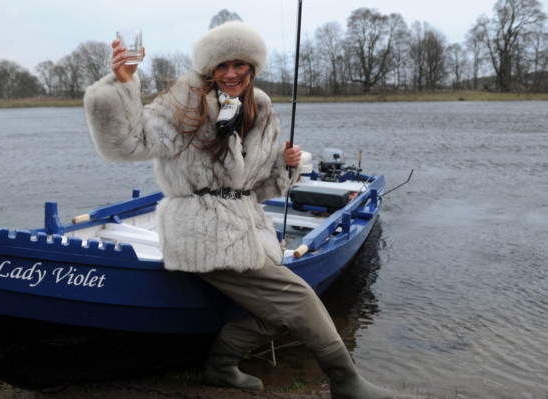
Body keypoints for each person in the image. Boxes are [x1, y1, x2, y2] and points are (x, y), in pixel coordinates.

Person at [84, 21, 395, 399]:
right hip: (201, 231)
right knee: (299, 298)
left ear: (252, 68)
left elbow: (259, 188)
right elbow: (127, 143)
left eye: (239, 65)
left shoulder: (260, 110)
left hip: (246, 227)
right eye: (221, 66)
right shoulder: (185, 103)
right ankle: (346, 381)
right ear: (210, 69)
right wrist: (121, 84)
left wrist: (287, 166)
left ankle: (221, 365)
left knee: (277, 312)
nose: (230, 74)